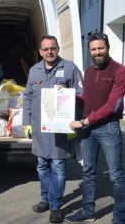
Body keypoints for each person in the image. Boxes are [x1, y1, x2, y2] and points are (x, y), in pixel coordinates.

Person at [65, 32, 125, 224]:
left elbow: (111, 106)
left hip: (107, 128)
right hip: (88, 130)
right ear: (89, 50)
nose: (97, 52)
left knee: (116, 175)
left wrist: (83, 122)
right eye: (94, 49)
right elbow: (87, 99)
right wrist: (66, 95)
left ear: (107, 47)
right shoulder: (89, 72)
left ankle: (120, 217)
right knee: (88, 171)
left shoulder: (120, 71)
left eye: (101, 48)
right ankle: (88, 212)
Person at [22, 35, 83, 223]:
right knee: (42, 165)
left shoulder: (70, 68)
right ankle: (45, 199)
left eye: (53, 48)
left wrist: (75, 122)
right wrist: (27, 122)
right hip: (41, 128)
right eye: (46, 49)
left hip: (60, 129)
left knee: (58, 166)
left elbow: (81, 96)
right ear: (40, 51)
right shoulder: (34, 71)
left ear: (58, 49)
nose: (49, 52)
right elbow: (28, 97)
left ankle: (55, 205)